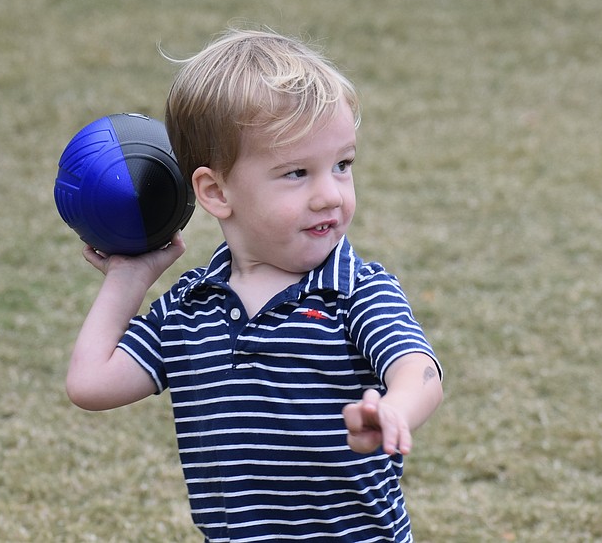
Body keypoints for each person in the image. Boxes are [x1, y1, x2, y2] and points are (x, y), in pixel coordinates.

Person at [66, 28, 444, 542]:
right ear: (216, 191)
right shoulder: (188, 309)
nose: (329, 194)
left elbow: (419, 368)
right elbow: (90, 384)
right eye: (296, 173)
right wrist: (128, 277)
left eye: (342, 165)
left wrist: (395, 408)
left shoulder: (356, 289)